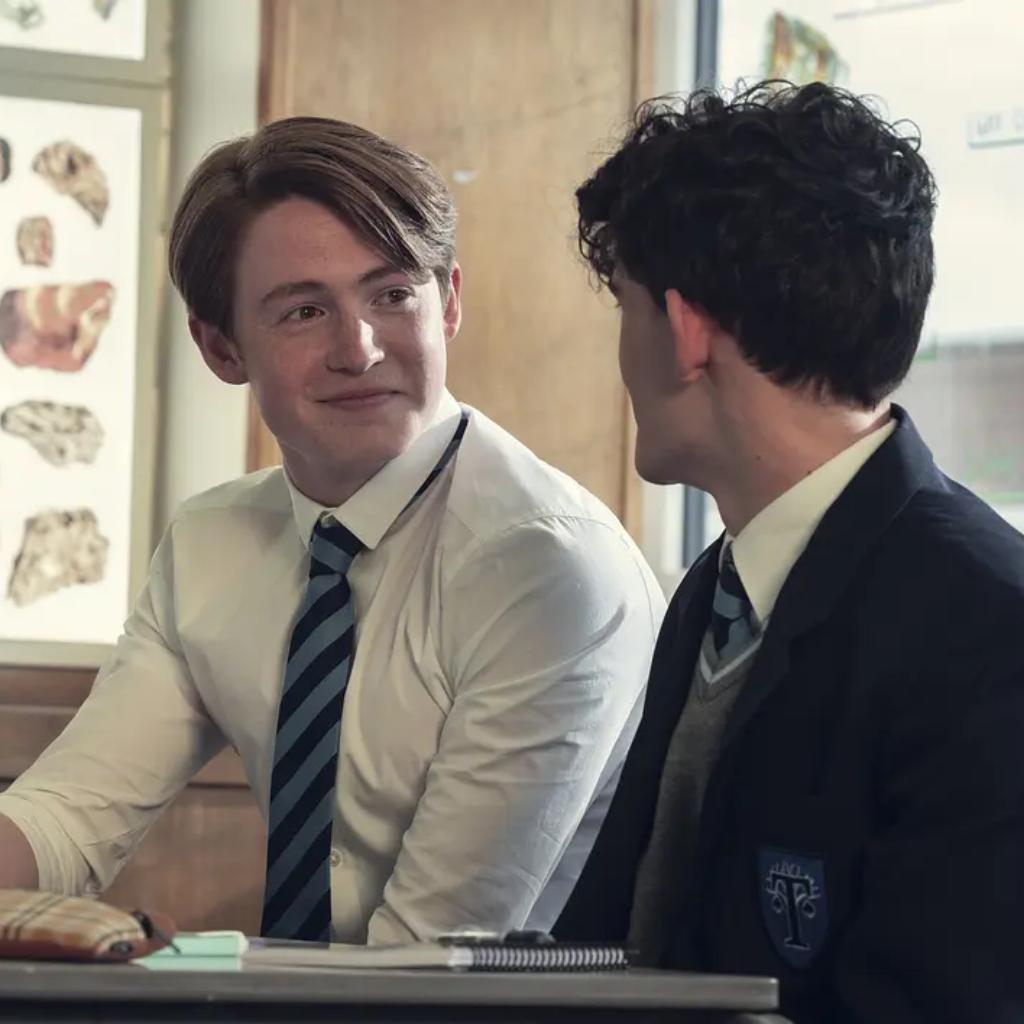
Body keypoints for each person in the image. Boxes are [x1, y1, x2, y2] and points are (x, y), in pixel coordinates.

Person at [0, 116, 665, 944]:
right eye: (304, 311)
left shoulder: (548, 566)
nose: (359, 349)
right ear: (221, 348)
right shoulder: (211, 544)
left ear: (449, 302)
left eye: (392, 295)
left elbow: (429, 953)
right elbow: (68, 816)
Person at [555, 81, 1024, 1023]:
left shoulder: (988, 631)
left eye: (628, 309)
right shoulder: (718, 590)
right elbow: (607, 948)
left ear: (685, 332)